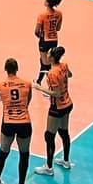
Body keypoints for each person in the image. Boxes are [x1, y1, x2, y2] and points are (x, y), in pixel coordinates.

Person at [0, 58, 33, 184]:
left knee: (3, 152)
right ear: (17, 68)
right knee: (24, 154)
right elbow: (28, 101)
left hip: (8, 122)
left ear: (5, 69)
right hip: (24, 122)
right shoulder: (27, 84)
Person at [33, 46, 74, 175]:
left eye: (48, 54)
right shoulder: (64, 65)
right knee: (63, 132)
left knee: (49, 136)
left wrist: (40, 88)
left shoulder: (52, 73)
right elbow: (70, 75)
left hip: (57, 107)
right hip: (68, 103)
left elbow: (56, 93)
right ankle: (66, 161)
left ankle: (49, 167)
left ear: (51, 57)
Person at [34, 0, 63, 85]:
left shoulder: (42, 15)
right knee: (49, 62)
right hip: (54, 40)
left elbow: (36, 31)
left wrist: (41, 37)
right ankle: (39, 81)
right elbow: (58, 28)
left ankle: (49, 84)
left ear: (47, 2)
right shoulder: (59, 13)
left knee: (45, 64)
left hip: (44, 41)